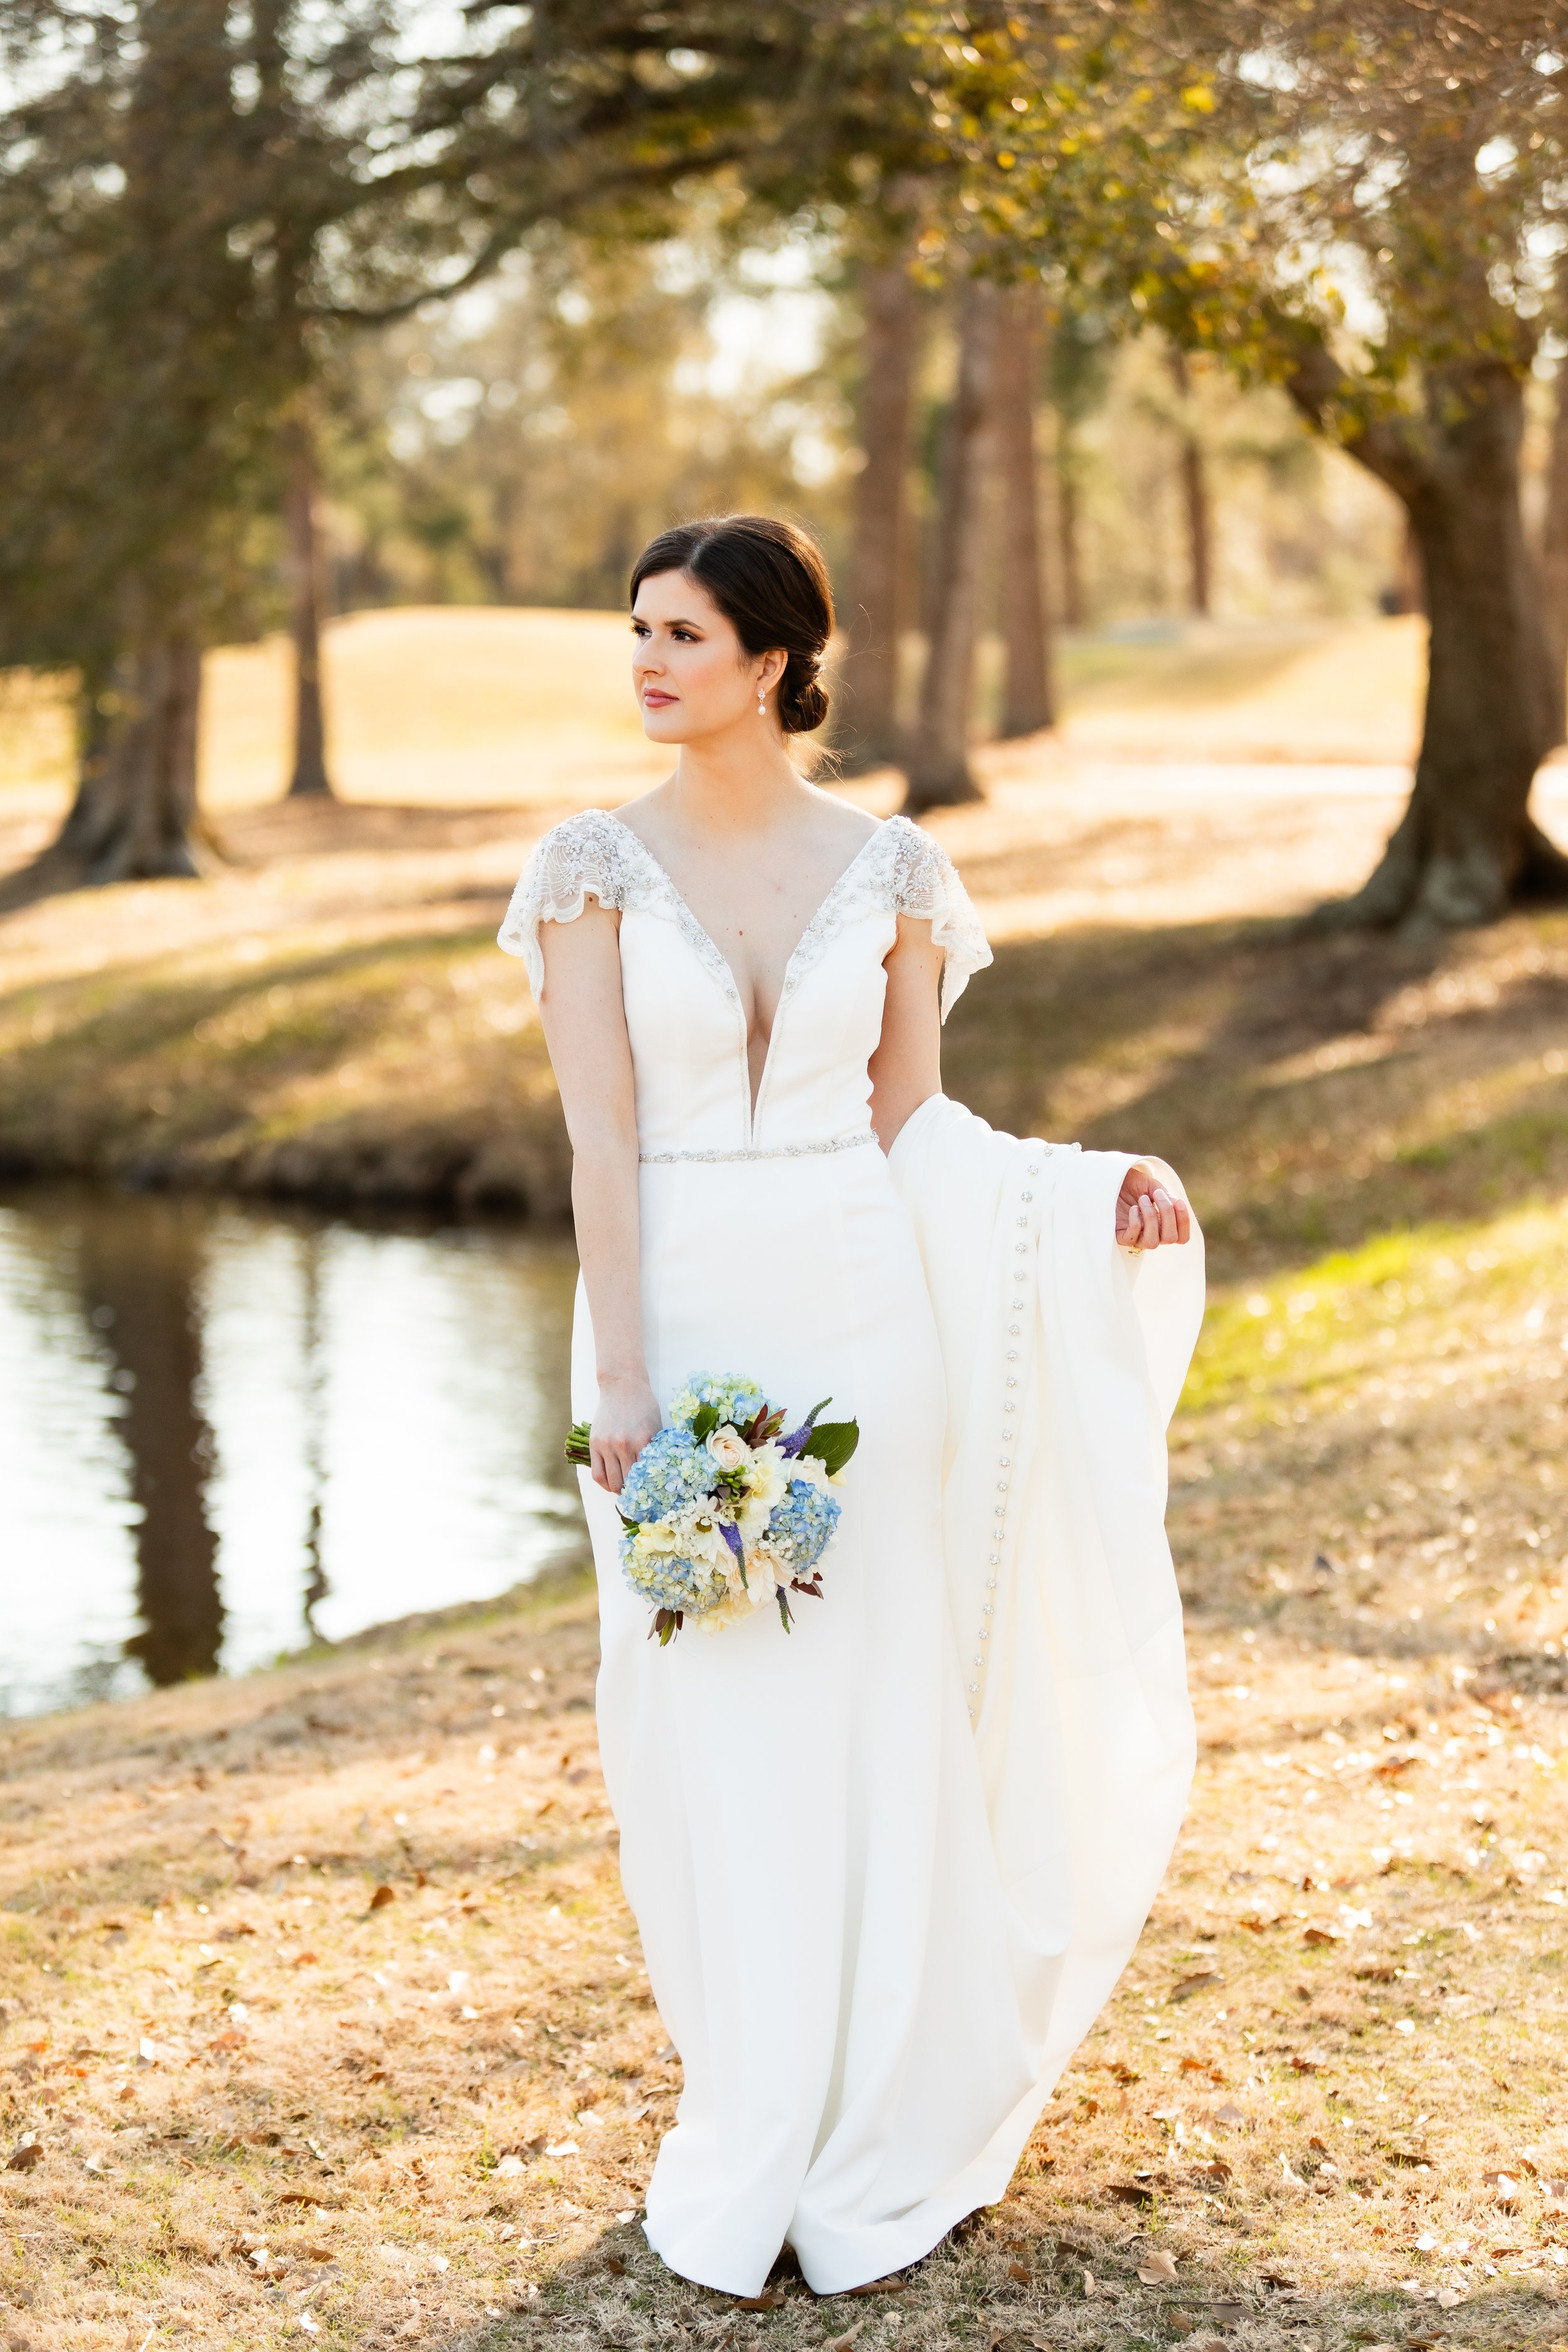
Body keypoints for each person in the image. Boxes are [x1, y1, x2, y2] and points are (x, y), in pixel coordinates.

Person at [499, 514, 1202, 2299]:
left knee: (870, 1711)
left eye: (680, 634)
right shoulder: (588, 866)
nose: (646, 661)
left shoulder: (891, 870)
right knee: (706, 1726)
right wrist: (623, 1380)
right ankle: (754, 2107)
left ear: (767, 661)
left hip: (855, 1319)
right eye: (635, 628)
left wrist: (1084, 1188)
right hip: (674, 1310)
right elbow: (596, 1139)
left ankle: (882, 2110)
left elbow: (914, 1129)